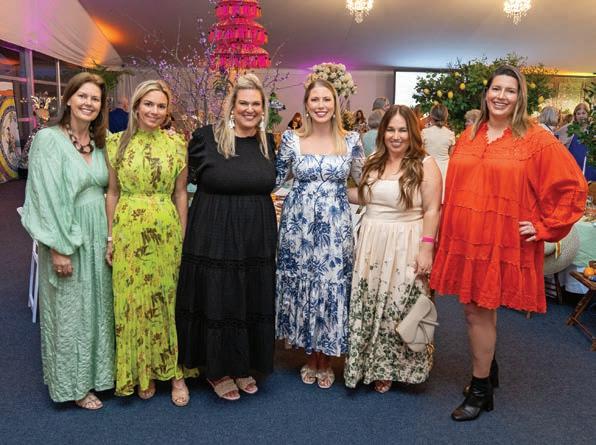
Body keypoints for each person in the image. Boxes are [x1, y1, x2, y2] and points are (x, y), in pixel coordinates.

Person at [430, 65, 587, 421]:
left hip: (500, 239)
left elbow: (572, 186)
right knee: (475, 310)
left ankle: (481, 389)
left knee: (478, 311)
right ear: (486, 93)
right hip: (466, 237)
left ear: (520, 97)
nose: (501, 96)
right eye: (496, 88)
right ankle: (489, 369)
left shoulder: (534, 138)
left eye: (510, 90)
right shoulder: (470, 133)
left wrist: (545, 226)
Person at [176, 74, 277, 401]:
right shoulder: (206, 138)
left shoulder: (268, 142)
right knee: (219, 296)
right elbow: (181, 185)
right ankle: (217, 370)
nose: (249, 109)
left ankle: (242, 365)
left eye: (255, 104)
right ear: (231, 106)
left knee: (249, 296)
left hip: (255, 234)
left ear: (263, 108)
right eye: (243, 103)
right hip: (215, 230)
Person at [21, 72, 114, 410]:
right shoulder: (49, 140)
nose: (89, 103)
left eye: (95, 99)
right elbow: (44, 197)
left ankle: (100, 376)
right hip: (66, 233)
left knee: (98, 307)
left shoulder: (102, 142)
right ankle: (73, 386)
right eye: (83, 96)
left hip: (98, 232)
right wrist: (59, 247)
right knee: (70, 311)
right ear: (69, 99)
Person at [343, 105, 442, 393]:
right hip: (371, 242)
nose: (396, 136)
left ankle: (393, 368)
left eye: (402, 130)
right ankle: (368, 365)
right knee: (370, 302)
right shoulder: (374, 161)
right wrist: (331, 191)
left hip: (405, 241)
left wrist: (427, 249)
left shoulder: (425, 164)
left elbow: (432, 209)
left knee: (400, 304)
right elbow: (366, 196)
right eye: (390, 130)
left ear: (413, 133)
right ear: (382, 132)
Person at [105, 80, 191, 406]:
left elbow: (180, 193)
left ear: (168, 110)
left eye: (161, 106)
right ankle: (144, 371)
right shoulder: (116, 143)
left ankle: (176, 373)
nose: (154, 111)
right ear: (137, 106)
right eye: (149, 104)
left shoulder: (176, 144)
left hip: (165, 228)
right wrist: (110, 237)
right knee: (134, 301)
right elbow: (112, 193)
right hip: (128, 228)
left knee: (167, 300)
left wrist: (182, 235)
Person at [275, 78, 365, 389]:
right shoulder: (291, 139)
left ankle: (326, 358)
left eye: (327, 99)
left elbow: (364, 184)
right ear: (306, 105)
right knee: (304, 283)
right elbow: (273, 179)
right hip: (297, 227)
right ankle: (309, 354)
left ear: (336, 104)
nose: (321, 105)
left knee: (330, 286)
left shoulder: (351, 140)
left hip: (335, 227)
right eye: (315, 99)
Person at [421, 103, 455, 195]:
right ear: (446, 117)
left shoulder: (424, 132)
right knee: (442, 196)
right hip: (445, 169)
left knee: (428, 195)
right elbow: (451, 155)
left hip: (428, 167)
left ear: (431, 116)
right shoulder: (450, 134)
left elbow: (420, 153)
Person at [565, 103, 594, 180]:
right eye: (578, 114)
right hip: (574, 172)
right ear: (575, 116)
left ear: (588, 114)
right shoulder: (570, 130)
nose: (581, 116)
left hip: (591, 172)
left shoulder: (593, 130)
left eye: (583, 113)